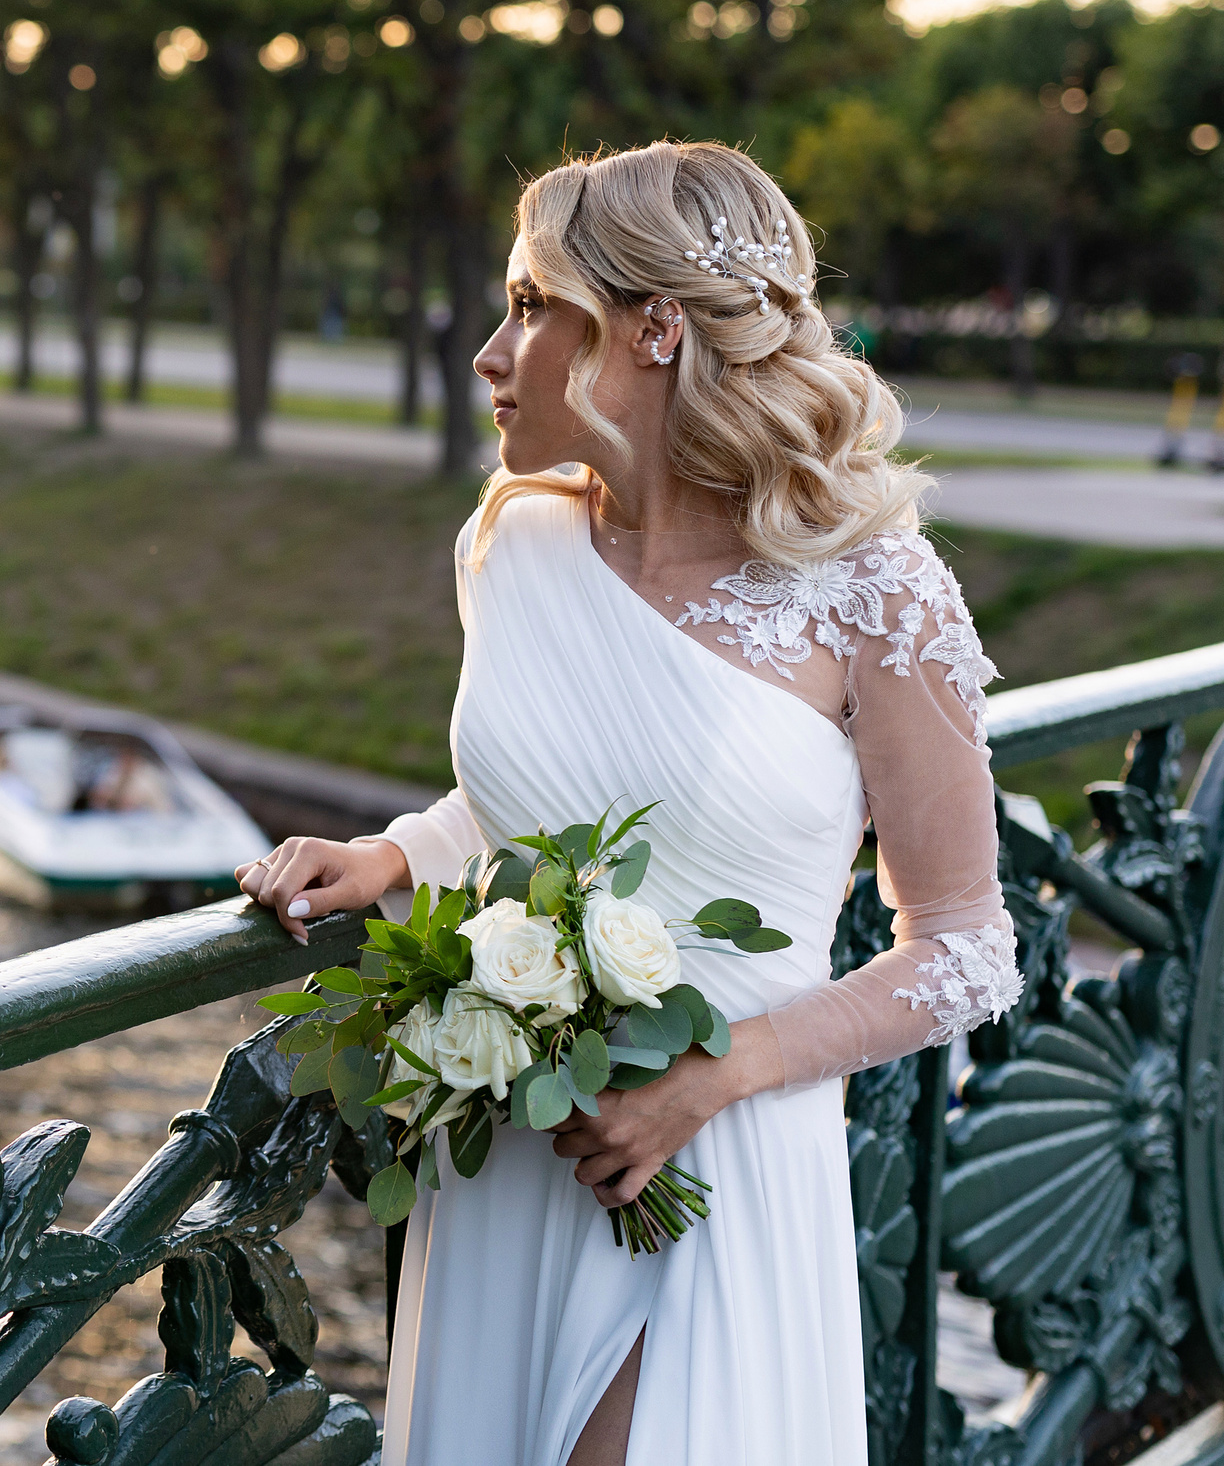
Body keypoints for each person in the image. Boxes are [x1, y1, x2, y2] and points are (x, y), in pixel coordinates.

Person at [238, 142, 1013, 1466]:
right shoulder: (515, 542)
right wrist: (396, 856)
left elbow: (964, 946)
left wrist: (717, 1076)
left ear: (655, 330)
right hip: (509, 1168)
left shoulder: (873, 590)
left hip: (716, 1167)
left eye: (533, 307)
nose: (488, 353)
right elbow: (545, 802)